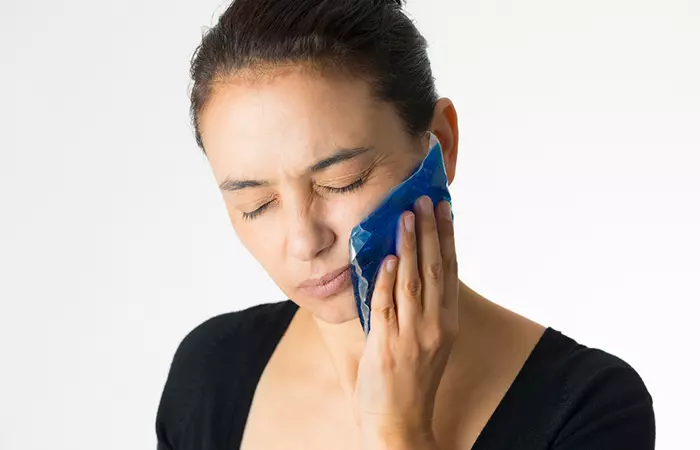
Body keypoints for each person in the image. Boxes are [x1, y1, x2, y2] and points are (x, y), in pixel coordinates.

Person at [155, 0, 655, 449]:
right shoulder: (210, 373)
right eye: (257, 204)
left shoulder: (589, 408)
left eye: (342, 181)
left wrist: (400, 431)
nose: (305, 240)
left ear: (441, 141)